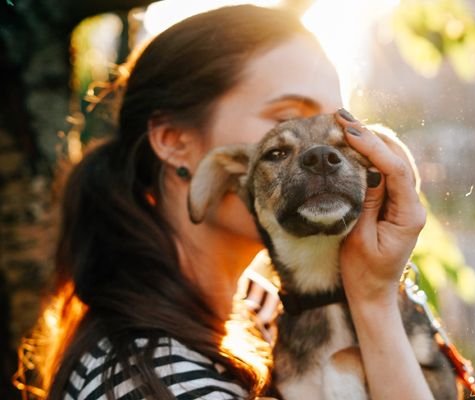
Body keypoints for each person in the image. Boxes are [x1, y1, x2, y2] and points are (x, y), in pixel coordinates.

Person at [17, 4, 432, 400]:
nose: (324, 149)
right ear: (175, 142)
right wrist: (374, 300)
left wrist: (372, 289)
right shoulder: (150, 379)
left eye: (338, 126)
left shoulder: (262, 306)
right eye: (285, 119)